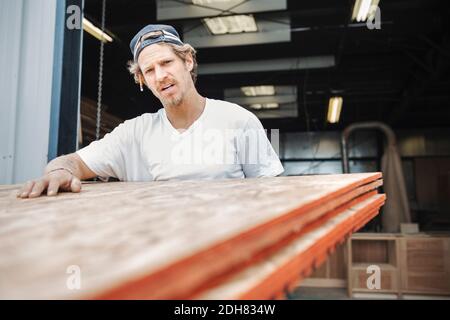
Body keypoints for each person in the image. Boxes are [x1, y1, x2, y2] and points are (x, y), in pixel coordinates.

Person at [17, 24, 284, 199]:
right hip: (161, 262)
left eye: (167, 62)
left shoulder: (238, 120)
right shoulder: (134, 134)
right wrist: (56, 173)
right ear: (143, 81)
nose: (160, 76)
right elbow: (70, 162)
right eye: (149, 71)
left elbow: (270, 193)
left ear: (188, 61)